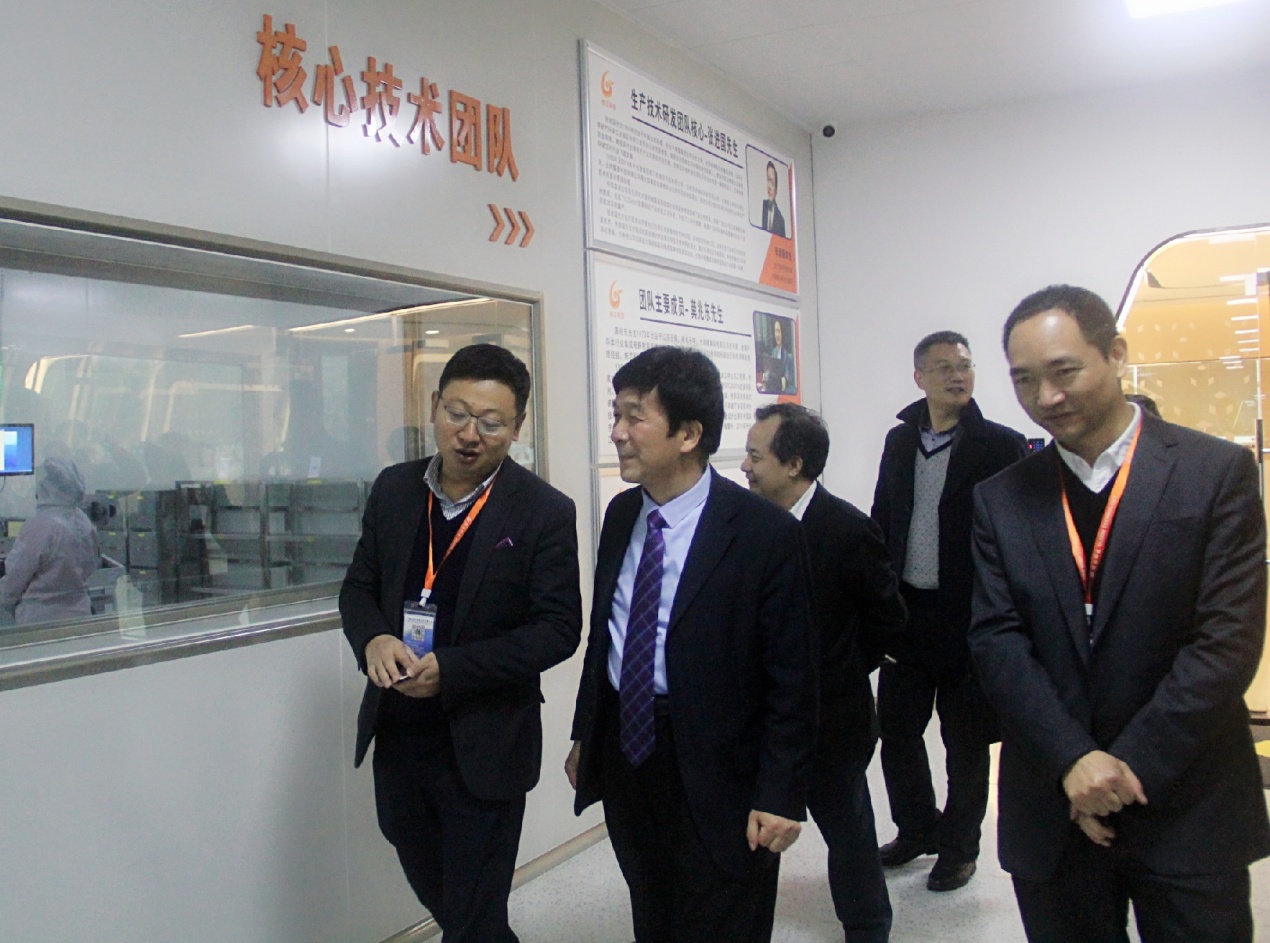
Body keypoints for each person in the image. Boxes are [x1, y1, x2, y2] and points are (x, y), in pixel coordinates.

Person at [970, 285, 1270, 942]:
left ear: (1116, 353)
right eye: (1024, 379)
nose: (1047, 396)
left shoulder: (1214, 472)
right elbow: (997, 639)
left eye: (1064, 370)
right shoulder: (1002, 498)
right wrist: (1071, 758)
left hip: (1188, 799)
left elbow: (1226, 641)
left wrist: (1119, 770)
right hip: (1053, 804)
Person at [566, 346, 816, 943]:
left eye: (634, 417)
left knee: (724, 915)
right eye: (616, 414)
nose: (617, 432)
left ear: (689, 434)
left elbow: (794, 678)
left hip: (720, 765)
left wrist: (781, 793)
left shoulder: (764, 533)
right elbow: (606, 636)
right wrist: (586, 734)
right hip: (629, 751)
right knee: (652, 907)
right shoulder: (622, 515)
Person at [339, 343, 582, 943]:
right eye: (457, 414)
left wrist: (453, 668)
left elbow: (558, 628)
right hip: (400, 730)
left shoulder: (543, 511)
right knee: (435, 878)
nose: (469, 435)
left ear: (517, 428)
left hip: (485, 739)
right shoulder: (395, 488)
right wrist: (372, 638)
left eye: (491, 423)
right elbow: (360, 586)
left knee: (472, 912)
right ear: (434, 407)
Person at [870, 330, 1026, 891]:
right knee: (897, 731)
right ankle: (917, 829)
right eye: (943, 367)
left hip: (968, 617)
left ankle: (960, 849)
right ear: (920, 378)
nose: (958, 375)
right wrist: (878, 595)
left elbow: (1017, 536)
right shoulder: (899, 441)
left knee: (965, 742)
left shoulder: (1000, 445)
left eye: (964, 365)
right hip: (907, 613)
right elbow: (882, 517)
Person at [742, 403, 905, 943]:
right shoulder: (748, 525)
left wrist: (836, 670)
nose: (744, 466)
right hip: (761, 718)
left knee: (848, 831)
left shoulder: (848, 530)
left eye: (755, 456)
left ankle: (867, 927)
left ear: (794, 464)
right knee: (754, 831)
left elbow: (887, 620)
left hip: (832, 720)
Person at [0, 456, 99, 626]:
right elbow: (91, 566)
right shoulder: (84, 522)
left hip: (40, 620)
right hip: (80, 615)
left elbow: (14, 578)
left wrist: (4, 601)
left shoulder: (40, 525)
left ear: (47, 487)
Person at [760, 160, 787, 238]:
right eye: (768, 180)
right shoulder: (763, 206)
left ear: (776, 189)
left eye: (772, 183)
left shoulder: (781, 220)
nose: (769, 187)